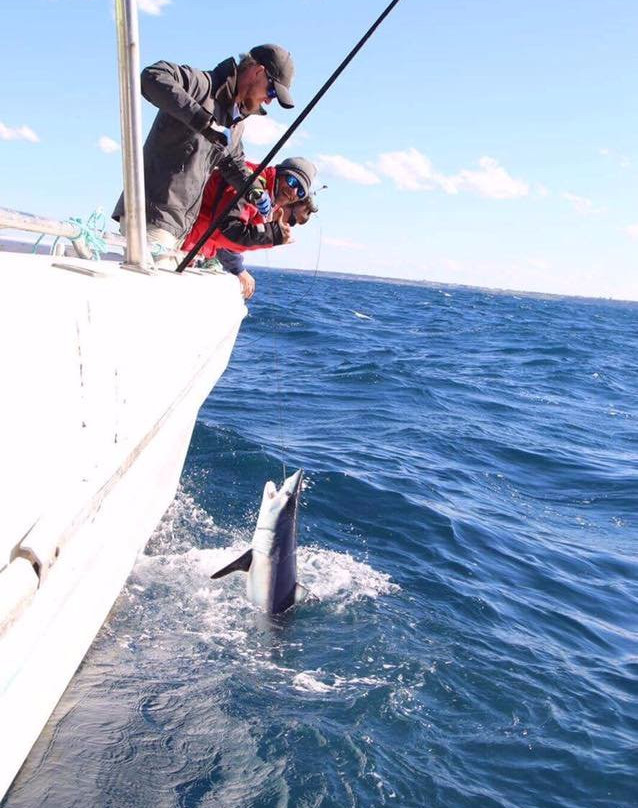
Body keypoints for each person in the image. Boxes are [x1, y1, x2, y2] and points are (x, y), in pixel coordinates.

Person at [112, 44, 295, 265]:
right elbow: (151, 77)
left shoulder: (234, 124)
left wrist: (255, 192)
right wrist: (203, 121)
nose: (268, 101)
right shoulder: (203, 85)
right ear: (258, 72)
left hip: (178, 229)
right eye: (272, 91)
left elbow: (234, 165)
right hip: (152, 216)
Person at [181, 157, 318, 298]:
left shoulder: (268, 200)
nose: (294, 192)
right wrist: (273, 234)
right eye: (292, 181)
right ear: (280, 173)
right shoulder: (253, 184)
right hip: (176, 238)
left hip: (189, 249)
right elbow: (227, 230)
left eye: (301, 191)